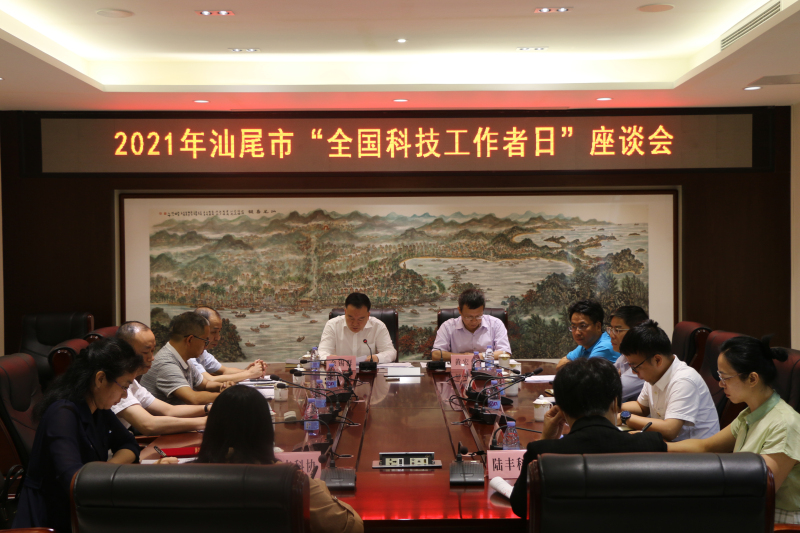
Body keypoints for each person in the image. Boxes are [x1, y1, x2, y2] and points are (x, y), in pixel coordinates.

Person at [13, 338, 174, 531]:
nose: (125, 395)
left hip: (87, 507)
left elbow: (129, 444)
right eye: (124, 386)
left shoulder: (98, 407)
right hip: (54, 519)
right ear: (100, 379)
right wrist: (142, 475)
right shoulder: (62, 414)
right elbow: (74, 482)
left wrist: (107, 470)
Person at [509, 357, 666, 519]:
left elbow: (521, 507)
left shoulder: (542, 453)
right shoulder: (650, 444)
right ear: (615, 403)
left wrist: (546, 439)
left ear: (561, 410)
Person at [668, 336, 800, 525]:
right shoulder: (750, 414)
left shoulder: (785, 424)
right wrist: (657, 446)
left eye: (725, 378)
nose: (720, 384)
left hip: (778, 518)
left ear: (752, 378)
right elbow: (705, 446)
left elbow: (761, 488)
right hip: (749, 506)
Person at [196, 385, 364, 533]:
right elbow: (352, 527)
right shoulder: (291, 481)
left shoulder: (189, 477)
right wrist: (319, 487)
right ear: (265, 430)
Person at [619, 320, 719, 441]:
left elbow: (670, 430)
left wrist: (625, 417)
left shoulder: (684, 380)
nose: (634, 372)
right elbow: (642, 407)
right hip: (670, 445)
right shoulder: (656, 373)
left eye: (635, 367)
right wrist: (612, 407)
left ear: (657, 360)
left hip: (693, 450)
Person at [112, 321, 208, 434]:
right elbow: (148, 425)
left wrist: (209, 408)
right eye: (146, 352)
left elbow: (170, 410)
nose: (152, 358)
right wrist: (206, 422)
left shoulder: (132, 382)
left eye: (152, 351)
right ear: (124, 352)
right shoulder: (114, 382)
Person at [140, 312, 232, 405]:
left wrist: (223, 386)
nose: (206, 346)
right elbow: (193, 398)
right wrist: (228, 395)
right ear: (190, 340)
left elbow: (205, 384)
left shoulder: (183, 358)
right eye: (205, 341)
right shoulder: (166, 363)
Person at [432, 288, 511, 361]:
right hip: (458, 369)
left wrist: (476, 356)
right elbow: (436, 355)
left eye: (478, 316)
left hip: (488, 369)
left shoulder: (496, 324)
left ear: (483, 310)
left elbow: (505, 353)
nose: (474, 321)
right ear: (459, 310)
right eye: (468, 317)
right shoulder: (448, 326)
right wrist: (464, 357)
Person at [192, 307, 266, 383]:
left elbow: (225, 371)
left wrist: (249, 370)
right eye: (213, 332)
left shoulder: (202, 352)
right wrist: (250, 373)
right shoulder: (189, 356)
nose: (218, 338)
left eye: (219, 332)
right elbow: (208, 381)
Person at [318, 292, 396, 363]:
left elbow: (391, 352)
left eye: (360, 319)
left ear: (368, 315)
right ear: (345, 312)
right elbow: (322, 352)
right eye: (351, 318)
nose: (355, 324)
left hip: (368, 372)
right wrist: (329, 359)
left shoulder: (378, 326)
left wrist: (377, 358)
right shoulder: (333, 325)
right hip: (340, 372)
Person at [556, 299, 618, 369]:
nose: (577, 333)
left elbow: (586, 373)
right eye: (573, 326)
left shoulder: (605, 347)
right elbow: (560, 366)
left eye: (582, 326)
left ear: (598, 326)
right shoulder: (586, 344)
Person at [607, 305, 649, 401]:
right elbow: (605, 377)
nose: (611, 335)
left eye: (617, 330)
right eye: (611, 329)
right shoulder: (625, 356)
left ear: (636, 331)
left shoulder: (644, 363)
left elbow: (606, 394)